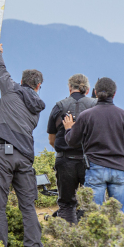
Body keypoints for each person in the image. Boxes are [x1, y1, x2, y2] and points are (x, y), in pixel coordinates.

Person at [0, 43, 45, 247]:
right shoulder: (37, 110)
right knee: (28, 206)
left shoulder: (11, 89)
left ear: (23, 81)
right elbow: (18, 127)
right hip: (25, 159)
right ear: (38, 86)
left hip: (3, 154)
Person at [62, 77, 124, 211]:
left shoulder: (86, 115)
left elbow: (72, 141)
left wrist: (69, 128)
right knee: (118, 215)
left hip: (95, 168)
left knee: (95, 215)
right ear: (114, 94)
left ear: (95, 92)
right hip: (119, 170)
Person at [47, 74, 97, 223]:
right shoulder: (95, 106)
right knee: (91, 204)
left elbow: (52, 139)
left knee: (67, 204)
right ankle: (89, 238)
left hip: (65, 160)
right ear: (87, 90)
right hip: (89, 161)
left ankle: (68, 238)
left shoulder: (59, 106)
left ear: (70, 88)